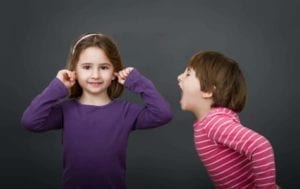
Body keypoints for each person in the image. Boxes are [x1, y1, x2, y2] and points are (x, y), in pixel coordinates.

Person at [21, 33, 173, 189]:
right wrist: (58, 86)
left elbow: (163, 114)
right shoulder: (66, 111)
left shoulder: (126, 112)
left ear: (115, 71)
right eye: (87, 67)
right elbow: (30, 121)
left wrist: (138, 82)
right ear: (74, 71)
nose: (95, 75)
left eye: (104, 67)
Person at [177, 51, 278, 188]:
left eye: (188, 74)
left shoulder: (213, 123)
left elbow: (261, 147)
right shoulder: (211, 123)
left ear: (207, 91)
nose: (179, 77)